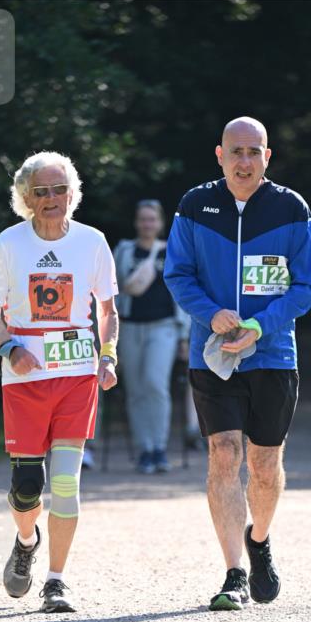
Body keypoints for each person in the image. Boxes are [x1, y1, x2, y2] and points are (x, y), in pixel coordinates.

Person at [164, 116, 311, 610]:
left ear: (267, 157)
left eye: (255, 152)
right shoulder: (194, 206)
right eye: (236, 152)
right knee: (225, 455)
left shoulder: (292, 209)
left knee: (265, 466)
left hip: (272, 354)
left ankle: (259, 539)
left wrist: (260, 325)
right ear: (220, 155)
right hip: (213, 356)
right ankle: (233, 572)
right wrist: (212, 315)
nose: (245, 161)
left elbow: (306, 287)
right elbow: (178, 274)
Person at [0, 151, 118, 613]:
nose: (52, 198)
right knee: (25, 485)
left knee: (65, 483)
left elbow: (108, 311)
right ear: (25, 198)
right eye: (42, 191)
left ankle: (57, 581)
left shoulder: (93, 242)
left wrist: (108, 356)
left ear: (73, 193)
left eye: (60, 189)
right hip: (24, 380)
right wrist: (10, 349)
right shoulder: (9, 243)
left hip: (77, 376)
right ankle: (25, 540)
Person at [114, 200, 190, 473]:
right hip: (129, 326)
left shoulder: (172, 251)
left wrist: (184, 336)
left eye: (152, 219)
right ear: (137, 222)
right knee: (135, 390)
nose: (147, 224)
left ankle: (159, 447)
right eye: (143, 219)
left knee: (155, 385)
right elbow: (113, 290)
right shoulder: (124, 250)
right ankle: (144, 448)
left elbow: (182, 294)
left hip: (164, 327)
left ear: (160, 223)